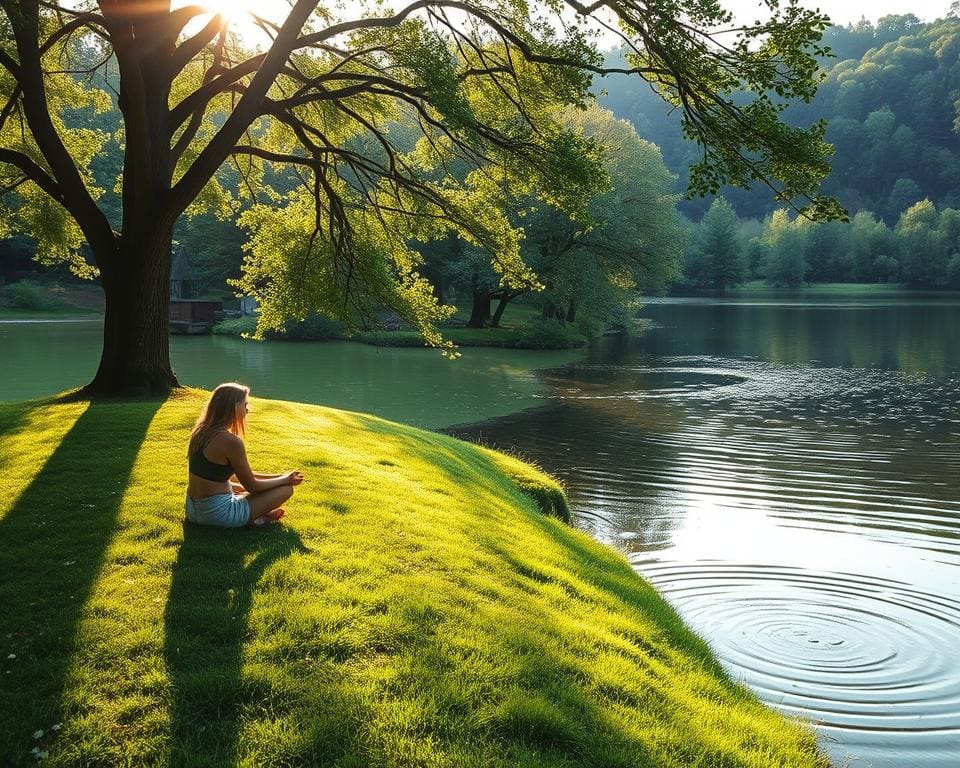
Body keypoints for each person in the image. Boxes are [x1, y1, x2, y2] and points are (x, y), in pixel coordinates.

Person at [185, 382, 303, 528]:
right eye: (245, 404)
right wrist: (285, 481)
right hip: (217, 515)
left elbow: (238, 476)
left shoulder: (200, 432)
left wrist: (281, 477)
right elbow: (252, 485)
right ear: (234, 407)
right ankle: (258, 519)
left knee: (240, 488)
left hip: (192, 511)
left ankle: (260, 516)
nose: (247, 410)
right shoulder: (231, 442)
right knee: (285, 489)